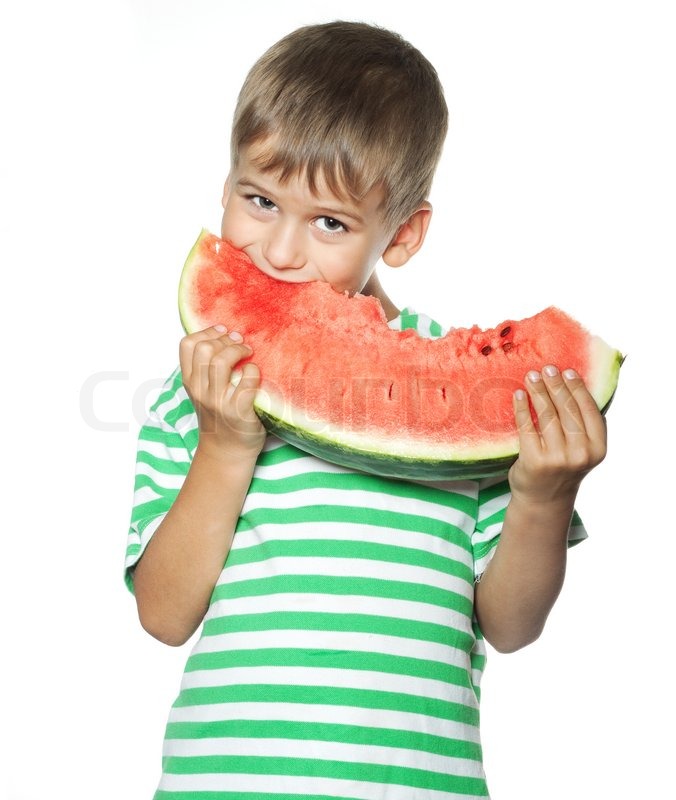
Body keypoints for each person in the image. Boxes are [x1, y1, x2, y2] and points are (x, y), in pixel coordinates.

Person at [125, 20, 607, 799]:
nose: (279, 251)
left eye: (329, 223)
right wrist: (223, 444)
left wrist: (544, 497)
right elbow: (164, 614)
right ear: (224, 190)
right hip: (225, 784)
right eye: (258, 200)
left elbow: (512, 627)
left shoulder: (479, 405)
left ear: (404, 233)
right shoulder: (197, 391)